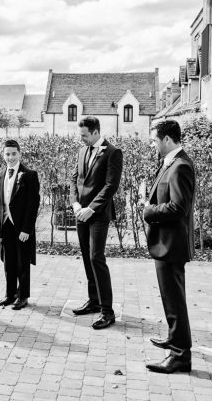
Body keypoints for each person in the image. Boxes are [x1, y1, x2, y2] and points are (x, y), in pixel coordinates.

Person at [142, 119, 196, 374]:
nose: (153, 144)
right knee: (172, 299)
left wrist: (148, 210)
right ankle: (175, 341)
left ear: (166, 139)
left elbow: (179, 207)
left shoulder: (181, 166)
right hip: (166, 243)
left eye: (154, 140)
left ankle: (180, 357)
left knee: (175, 302)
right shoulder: (171, 162)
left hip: (171, 245)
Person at [70, 116, 123, 330]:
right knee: (86, 257)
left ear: (95, 132)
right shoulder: (82, 151)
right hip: (80, 213)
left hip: (98, 215)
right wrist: (75, 204)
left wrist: (91, 208)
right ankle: (93, 301)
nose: (81, 139)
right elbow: (74, 179)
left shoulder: (113, 152)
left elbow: (111, 186)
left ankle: (107, 312)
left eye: (84, 135)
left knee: (96, 258)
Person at [0, 139, 41, 310]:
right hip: (5, 226)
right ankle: (10, 294)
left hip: (21, 227)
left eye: (13, 154)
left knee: (22, 262)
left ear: (19, 153)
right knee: (8, 262)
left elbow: (33, 204)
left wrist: (27, 228)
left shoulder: (29, 174)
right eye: (7, 154)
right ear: (3, 155)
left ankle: (23, 296)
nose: (10, 157)